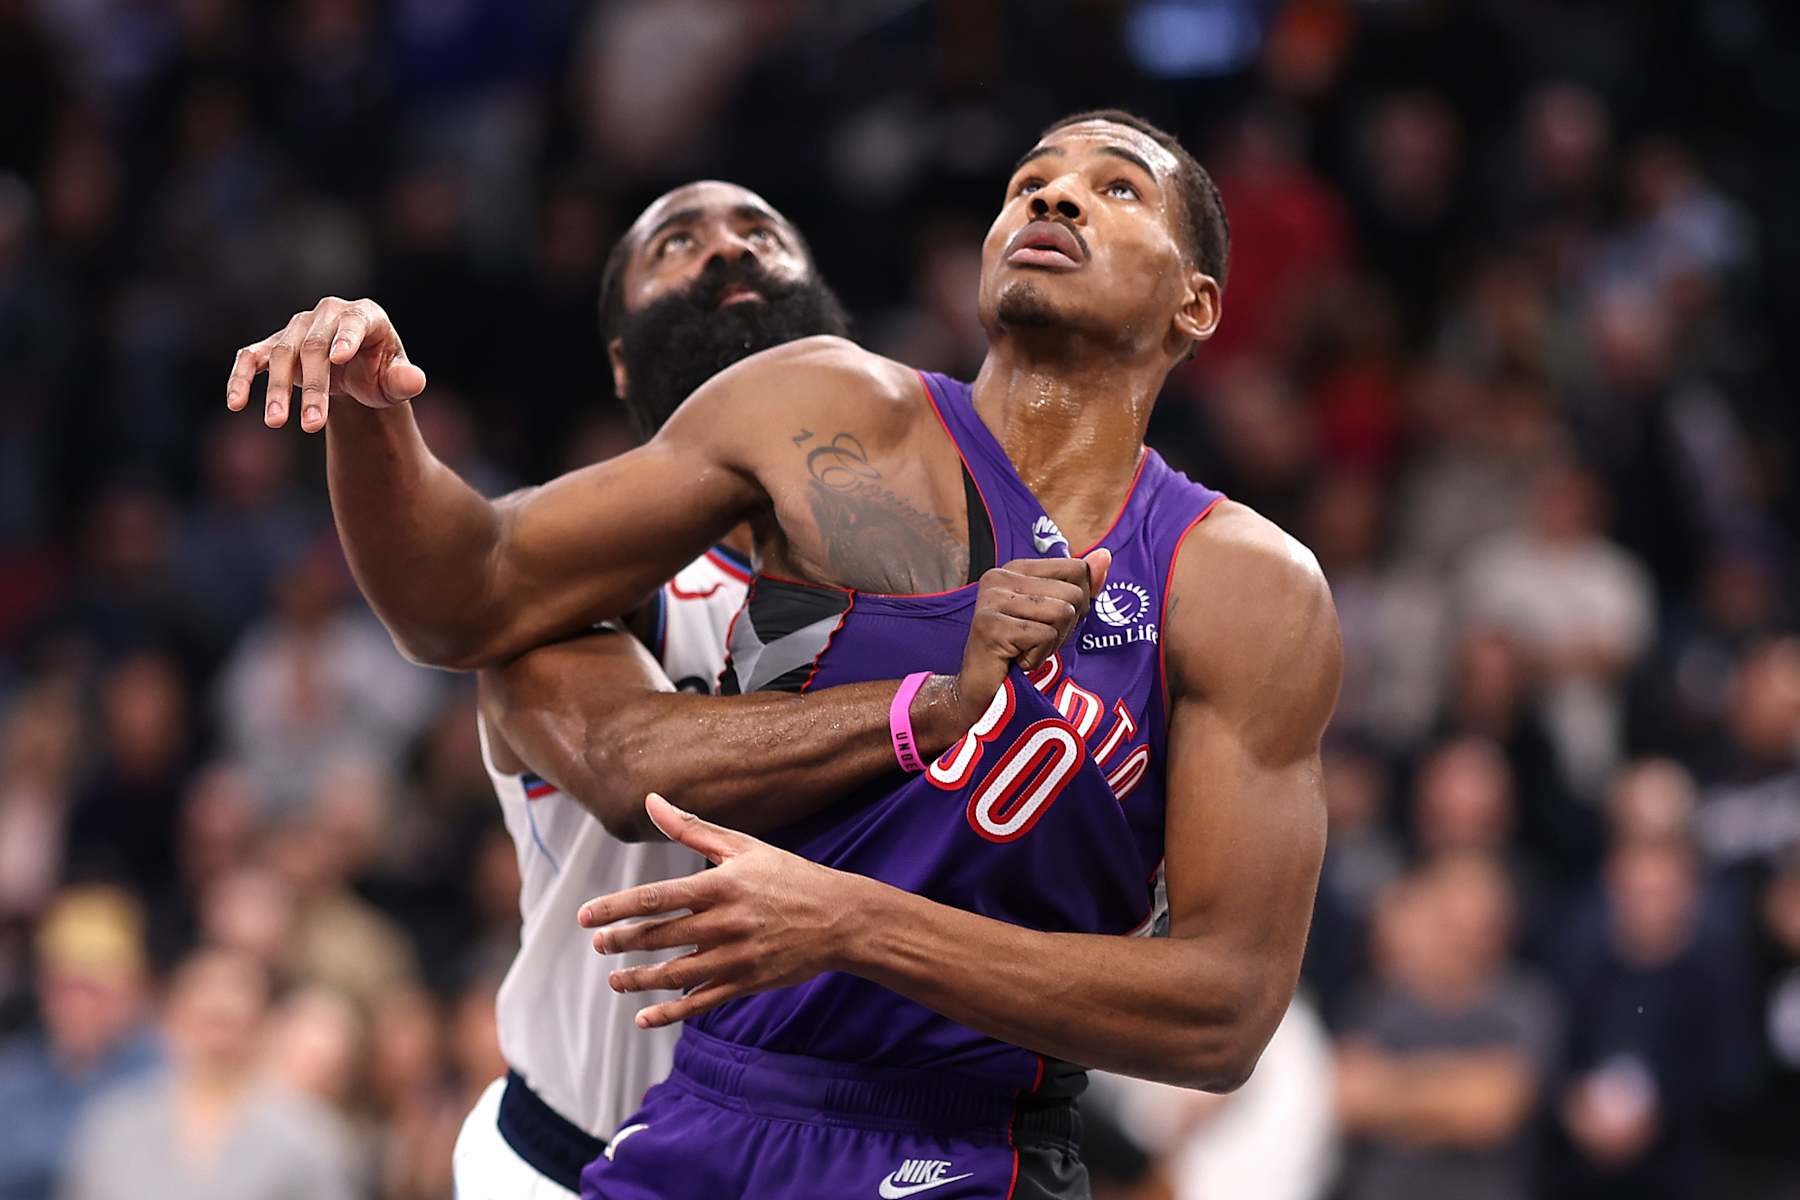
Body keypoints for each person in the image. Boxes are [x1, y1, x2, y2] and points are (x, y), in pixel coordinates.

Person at [228, 109, 1341, 1199]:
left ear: (1199, 306)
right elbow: (486, 616)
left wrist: (849, 923)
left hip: (952, 1143)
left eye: (1116, 188)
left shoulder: (1244, 585)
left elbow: (1227, 1010)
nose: (1051, 194)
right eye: (1029, 179)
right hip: (664, 1120)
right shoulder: (816, 417)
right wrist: (374, 417)